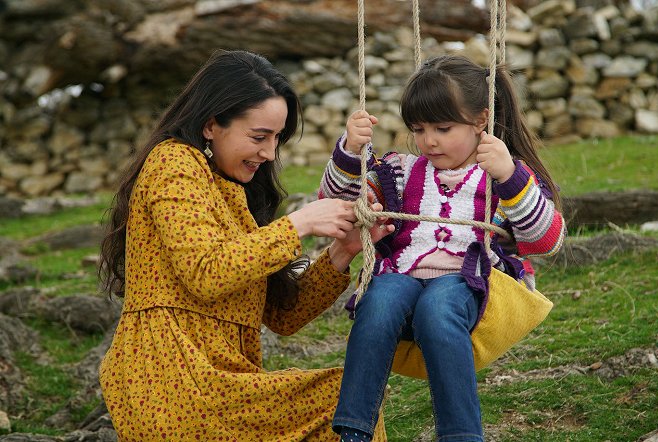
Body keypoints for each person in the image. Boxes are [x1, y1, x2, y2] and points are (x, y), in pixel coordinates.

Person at [97, 49, 393, 441]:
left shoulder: (237, 193)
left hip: (222, 383)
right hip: (168, 379)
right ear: (210, 125)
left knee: (354, 397)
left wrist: (344, 250)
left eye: (276, 138)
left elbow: (283, 316)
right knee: (347, 399)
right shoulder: (173, 164)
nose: (269, 153)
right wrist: (299, 223)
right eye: (259, 136)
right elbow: (207, 272)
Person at [319, 54, 566, 441]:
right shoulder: (401, 171)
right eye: (418, 129)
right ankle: (353, 429)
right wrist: (350, 150)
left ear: (481, 120)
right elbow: (336, 200)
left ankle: (461, 435)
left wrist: (508, 175)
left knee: (438, 308)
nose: (428, 140)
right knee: (378, 300)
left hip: (469, 282)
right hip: (403, 276)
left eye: (443, 127)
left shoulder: (503, 177)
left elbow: (545, 240)